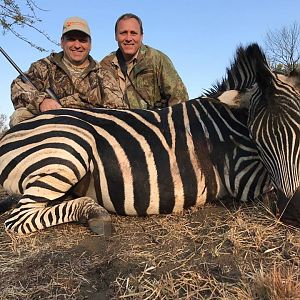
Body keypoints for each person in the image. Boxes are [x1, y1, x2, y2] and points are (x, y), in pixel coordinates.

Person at [10, 16, 103, 127]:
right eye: (71, 39)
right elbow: (18, 86)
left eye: (82, 40)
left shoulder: (102, 73)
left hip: (90, 125)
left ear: (90, 45)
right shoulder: (43, 66)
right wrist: (41, 102)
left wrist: (65, 104)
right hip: (50, 123)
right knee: (18, 116)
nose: (77, 45)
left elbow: (116, 105)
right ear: (62, 42)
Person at [100, 13, 189, 109]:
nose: (128, 38)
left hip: (154, 123)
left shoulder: (158, 60)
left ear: (141, 36)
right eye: (123, 33)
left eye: (133, 33)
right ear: (116, 36)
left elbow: (180, 100)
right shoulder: (105, 65)